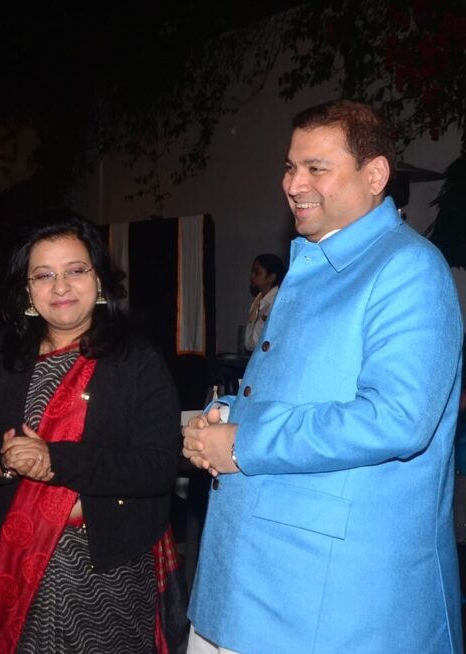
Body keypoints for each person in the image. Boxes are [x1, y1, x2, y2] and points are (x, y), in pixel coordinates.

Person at [183, 100, 463, 653]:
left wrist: (243, 441)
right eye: (290, 166)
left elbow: (398, 419)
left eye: (317, 167)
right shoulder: (318, 261)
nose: (294, 183)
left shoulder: (406, 267)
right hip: (253, 579)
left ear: (375, 174)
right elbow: (303, 393)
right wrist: (228, 416)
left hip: (332, 598)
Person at [0, 216, 184, 653]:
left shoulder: (137, 361)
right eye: (44, 275)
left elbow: (157, 467)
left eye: (75, 271)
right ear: (26, 291)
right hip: (14, 561)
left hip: (107, 573)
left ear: (99, 281)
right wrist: (2, 462)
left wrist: (56, 460)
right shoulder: (3, 357)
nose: (61, 287)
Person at [243, 253, 285, 352]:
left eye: (257, 272)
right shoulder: (257, 301)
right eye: (252, 271)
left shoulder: (278, 302)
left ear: (271, 277)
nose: (252, 276)